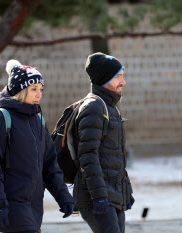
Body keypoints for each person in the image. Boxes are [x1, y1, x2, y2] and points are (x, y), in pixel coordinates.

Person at [0, 60, 75, 233]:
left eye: (41, 89)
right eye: (34, 89)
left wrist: (63, 197)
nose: (39, 94)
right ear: (20, 91)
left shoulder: (38, 121)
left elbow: (50, 165)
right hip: (8, 207)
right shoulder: (0, 119)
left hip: (33, 209)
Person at [74, 52, 134, 233]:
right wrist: (99, 196)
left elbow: (114, 157)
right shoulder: (94, 107)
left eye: (122, 76)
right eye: (118, 77)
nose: (123, 82)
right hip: (98, 197)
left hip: (113, 194)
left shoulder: (110, 107)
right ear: (104, 78)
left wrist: (126, 190)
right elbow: (88, 157)